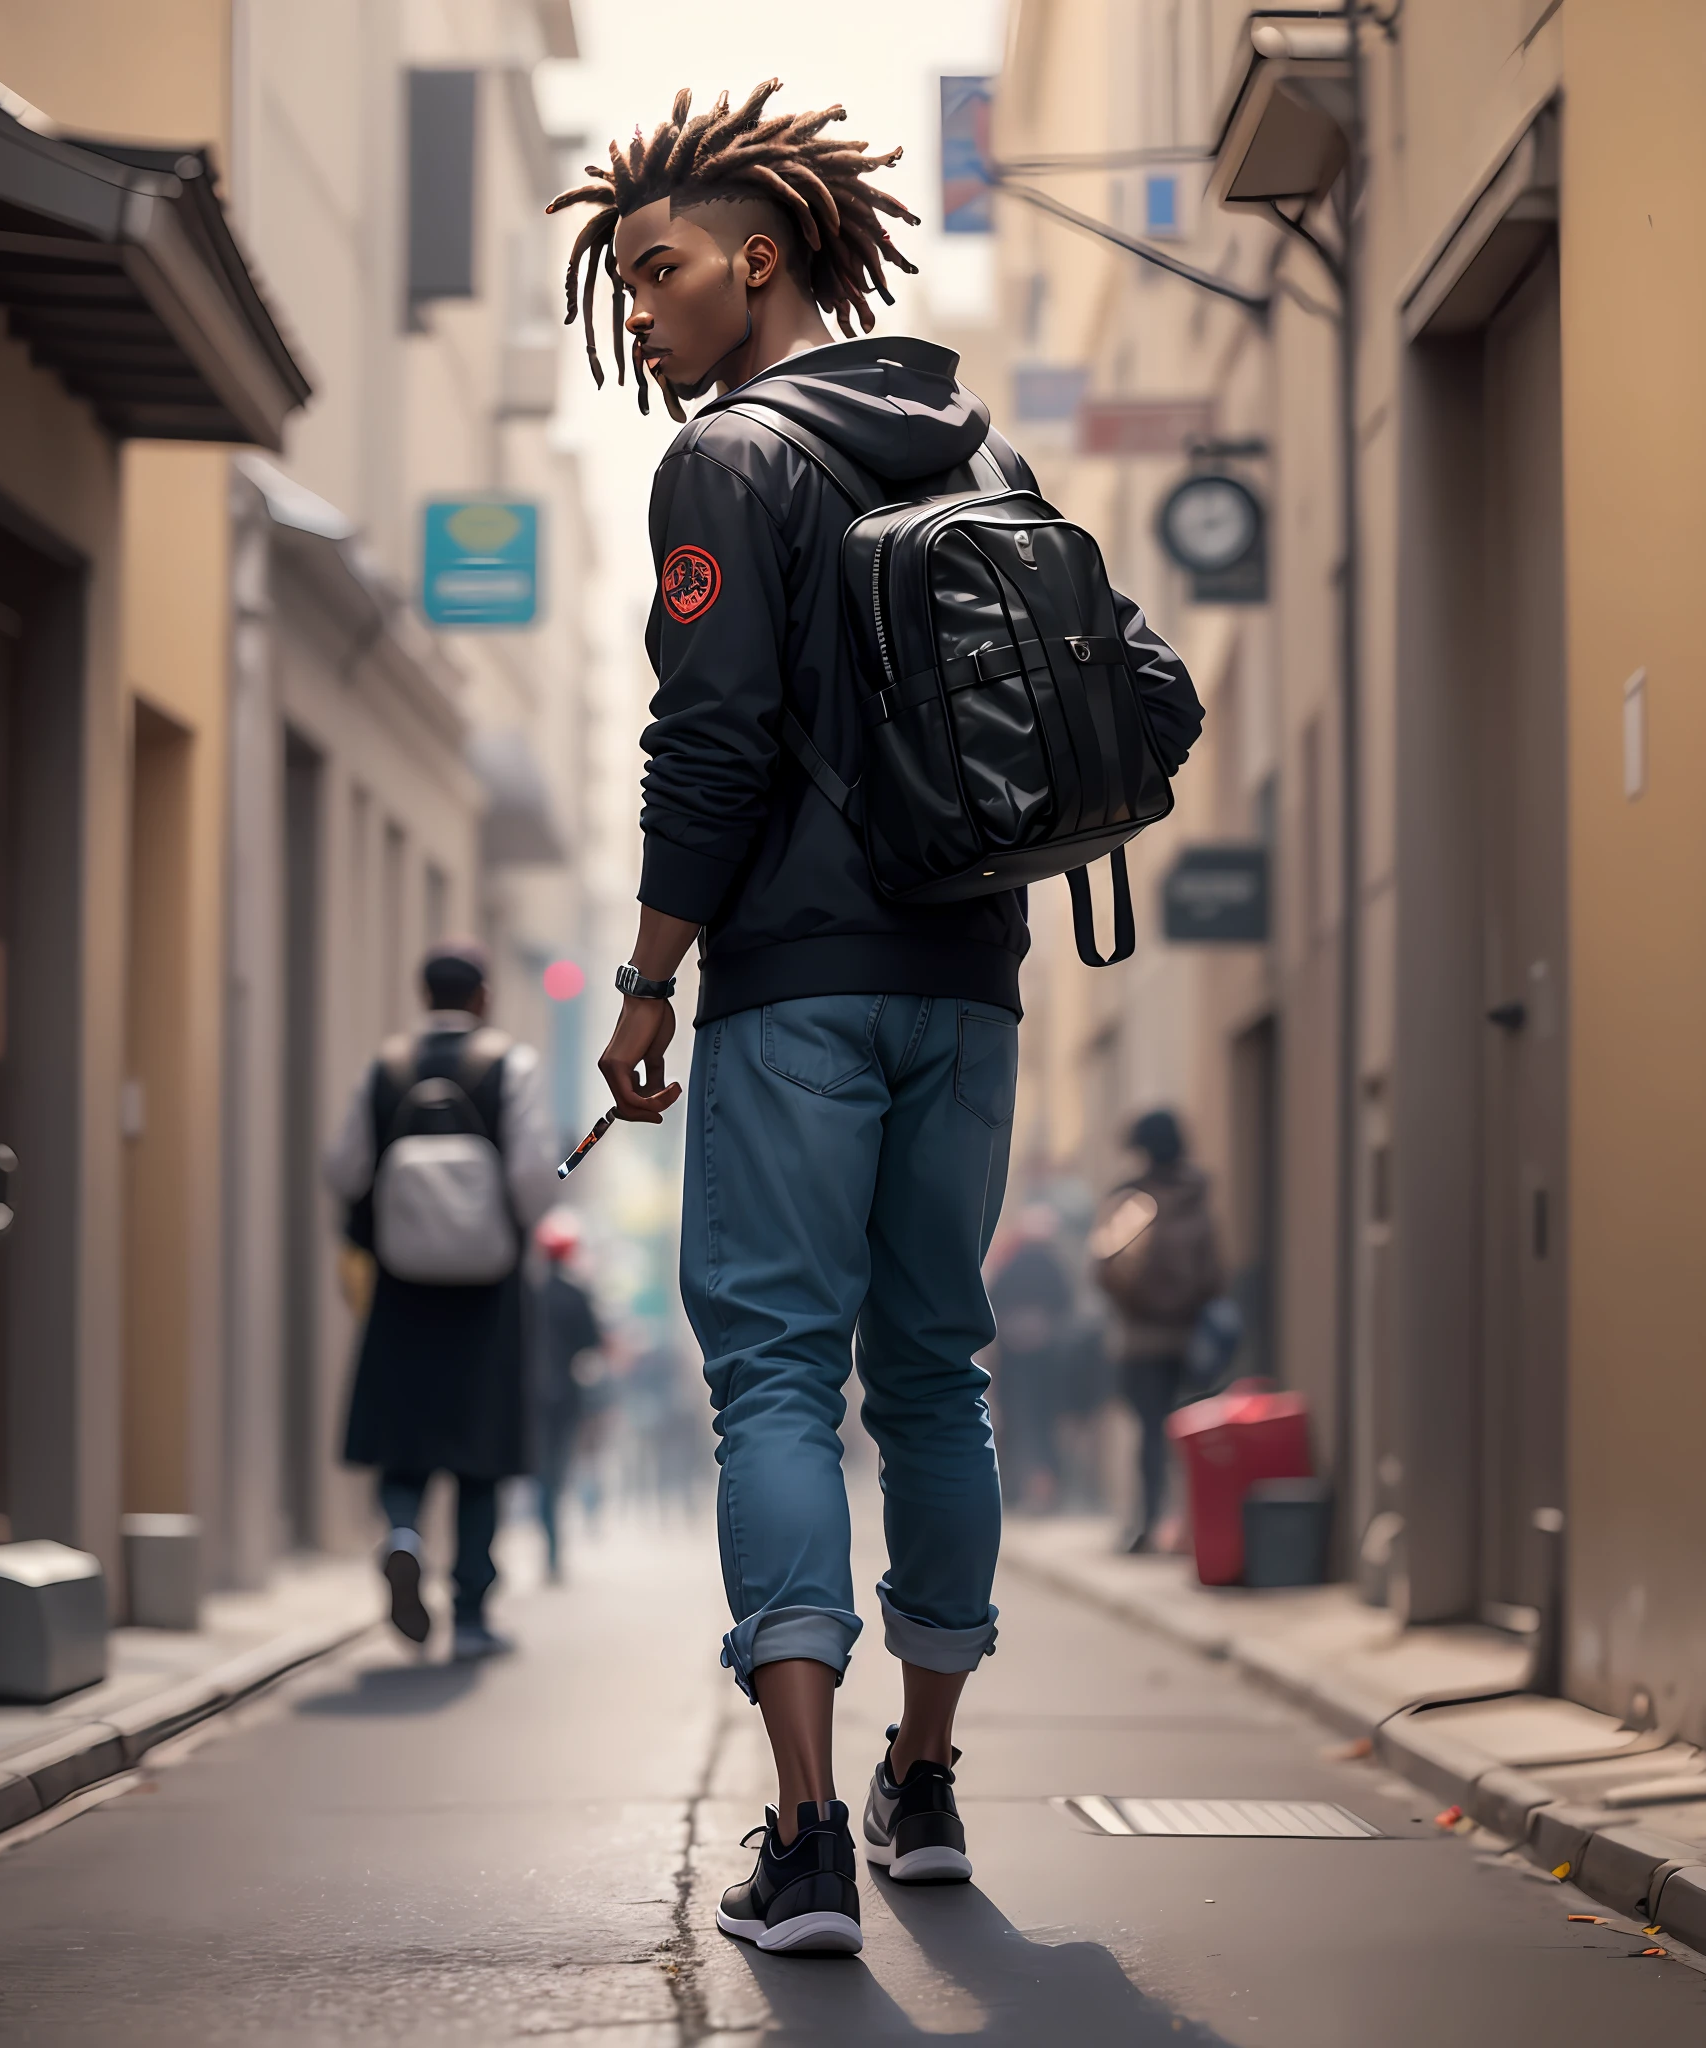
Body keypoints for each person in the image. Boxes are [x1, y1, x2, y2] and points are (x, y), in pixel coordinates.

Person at [552, 81, 1204, 1956]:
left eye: (657, 269)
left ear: (760, 262)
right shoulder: (976, 448)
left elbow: (712, 738)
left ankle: (809, 1835)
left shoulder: (724, 462)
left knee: (771, 1375)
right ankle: (924, 1785)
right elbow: (1142, 686)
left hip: (793, 995)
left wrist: (652, 980)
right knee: (934, 1371)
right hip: (968, 984)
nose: (644, 309)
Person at [323, 941, 558, 1659]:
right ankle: (474, 1613)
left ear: (423, 995)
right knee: (481, 1454)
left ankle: (402, 1535)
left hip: (403, 1286)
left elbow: (342, 1169)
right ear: (483, 996)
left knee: (404, 1441)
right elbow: (531, 1180)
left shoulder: (385, 1069)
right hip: (487, 1293)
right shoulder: (509, 1067)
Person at [1096, 1109, 1224, 1556]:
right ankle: (1195, 1529)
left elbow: (1104, 1268)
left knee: (1150, 1435)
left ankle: (1149, 1525)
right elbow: (1214, 1273)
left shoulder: (1129, 1199)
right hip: (1191, 1339)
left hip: (1140, 1340)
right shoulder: (1197, 1195)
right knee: (1196, 1438)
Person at [527, 1210, 602, 1582]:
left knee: (541, 1474)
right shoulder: (576, 1295)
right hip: (566, 1398)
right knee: (556, 1474)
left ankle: (549, 1547)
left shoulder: (531, 1294)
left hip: (531, 1398)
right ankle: (553, 1553)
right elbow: (593, 1342)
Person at [985, 1206, 1074, 1511]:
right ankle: (1048, 1489)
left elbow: (991, 1300)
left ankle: (1016, 1489)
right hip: (1046, 1358)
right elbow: (1066, 1303)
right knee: (1043, 1423)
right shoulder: (1053, 1265)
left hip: (1013, 1358)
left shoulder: (1011, 1263)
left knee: (1015, 1420)